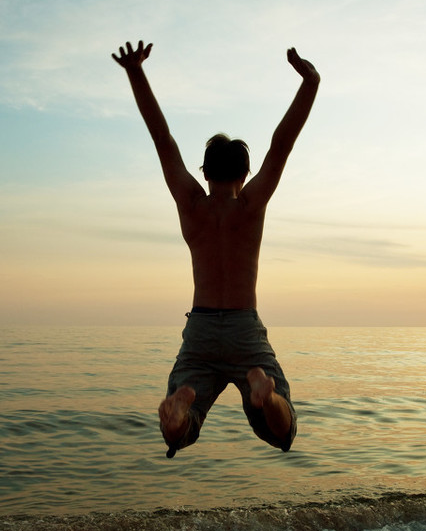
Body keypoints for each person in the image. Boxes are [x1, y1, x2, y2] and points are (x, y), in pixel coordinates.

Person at [112, 40, 320, 458]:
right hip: (245, 328)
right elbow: (282, 144)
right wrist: (309, 82)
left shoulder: (192, 205)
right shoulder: (250, 204)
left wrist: (135, 71)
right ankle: (265, 394)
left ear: (203, 172)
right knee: (282, 432)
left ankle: (180, 410)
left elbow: (162, 138)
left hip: (201, 328)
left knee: (180, 437)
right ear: (245, 172)